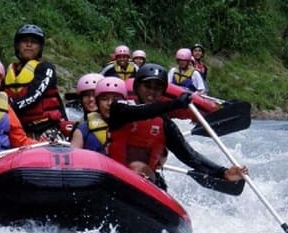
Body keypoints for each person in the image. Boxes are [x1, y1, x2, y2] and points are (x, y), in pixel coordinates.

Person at [108, 63, 247, 188]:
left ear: (162, 92)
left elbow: (189, 156)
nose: (152, 92)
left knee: (139, 168)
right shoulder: (120, 109)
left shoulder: (165, 124)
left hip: (144, 182)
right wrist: (175, 104)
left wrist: (223, 173)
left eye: (157, 88)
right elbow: (141, 112)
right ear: (137, 87)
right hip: (111, 177)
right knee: (136, 167)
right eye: (147, 86)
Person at [4, 24, 69, 139]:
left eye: (33, 42)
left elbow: (35, 96)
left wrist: (8, 109)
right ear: (17, 45)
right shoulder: (9, 72)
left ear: (40, 48)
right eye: (25, 41)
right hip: (19, 128)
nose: (29, 45)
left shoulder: (45, 68)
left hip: (46, 128)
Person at [70, 76, 126, 153]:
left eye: (116, 99)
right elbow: (73, 157)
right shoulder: (82, 129)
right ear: (98, 102)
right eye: (104, 99)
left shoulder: (133, 127)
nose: (110, 103)